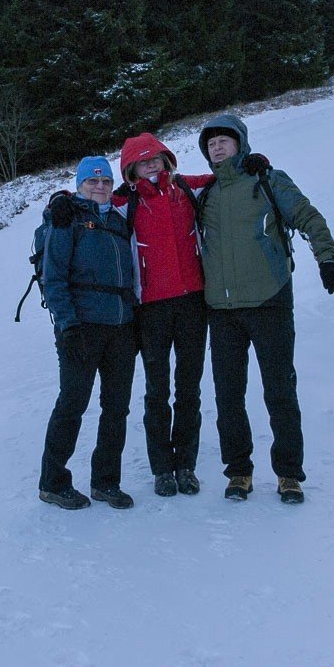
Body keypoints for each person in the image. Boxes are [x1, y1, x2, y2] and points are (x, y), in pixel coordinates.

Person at [195, 113, 334, 504]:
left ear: (240, 143)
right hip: (222, 310)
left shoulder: (267, 180)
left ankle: (289, 474)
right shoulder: (206, 193)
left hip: (269, 301)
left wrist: (327, 258)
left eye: (224, 140)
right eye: (211, 144)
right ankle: (239, 472)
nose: (217, 147)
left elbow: (308, 216)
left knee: (279, 392)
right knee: (228, 397)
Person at [37, 156, 138, 510]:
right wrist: (67, 325)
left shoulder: (118, 219)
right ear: (79, 185)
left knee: (116, 408)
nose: (99, 187)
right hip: (82, 328)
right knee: (72, 404)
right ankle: (53, 482)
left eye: (105, 181)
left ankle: (106, 482)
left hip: (122, 328)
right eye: (92, 181)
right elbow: (54, 277)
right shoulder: (68, 218)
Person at [117, 133, 214, 498]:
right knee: (157, 391)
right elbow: (87, 203)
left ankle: (185, 464)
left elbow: (221, 178)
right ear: (132, 168)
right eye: (144, 161)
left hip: (192, 302)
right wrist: (61, 200)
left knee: (189, 388)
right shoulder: (125, 202)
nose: (152, 165)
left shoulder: (185, 189)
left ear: (166, 159)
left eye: (156, 158)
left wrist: (256, 162)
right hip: (152, 308)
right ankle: (162, 468)